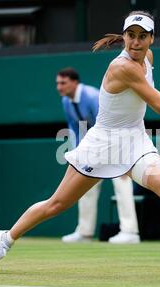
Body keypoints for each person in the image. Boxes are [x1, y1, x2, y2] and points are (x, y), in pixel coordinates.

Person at [0, 10, 160, 278]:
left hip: (135, 140)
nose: (135, 42)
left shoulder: (147, 59)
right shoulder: (122, 67)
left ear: (151, 40)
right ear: (123, 37)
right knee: (57, 204)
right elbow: (159, 105)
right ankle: (3, 240)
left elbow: (153, 95)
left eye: (142, 36)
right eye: (130, 36)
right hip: (102, 144)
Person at [56, 67, 140, 244]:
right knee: (85, 187)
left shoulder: (93, 97)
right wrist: (79, 154)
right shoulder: (65, 102)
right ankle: (85, 232)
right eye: (57, 83)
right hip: (94, 149)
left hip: (116, 142)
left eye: (63, 83)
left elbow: (111, 124)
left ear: (74, 82)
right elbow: (74, 128)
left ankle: (130, 232)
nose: (59, 87)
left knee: (122, 184)